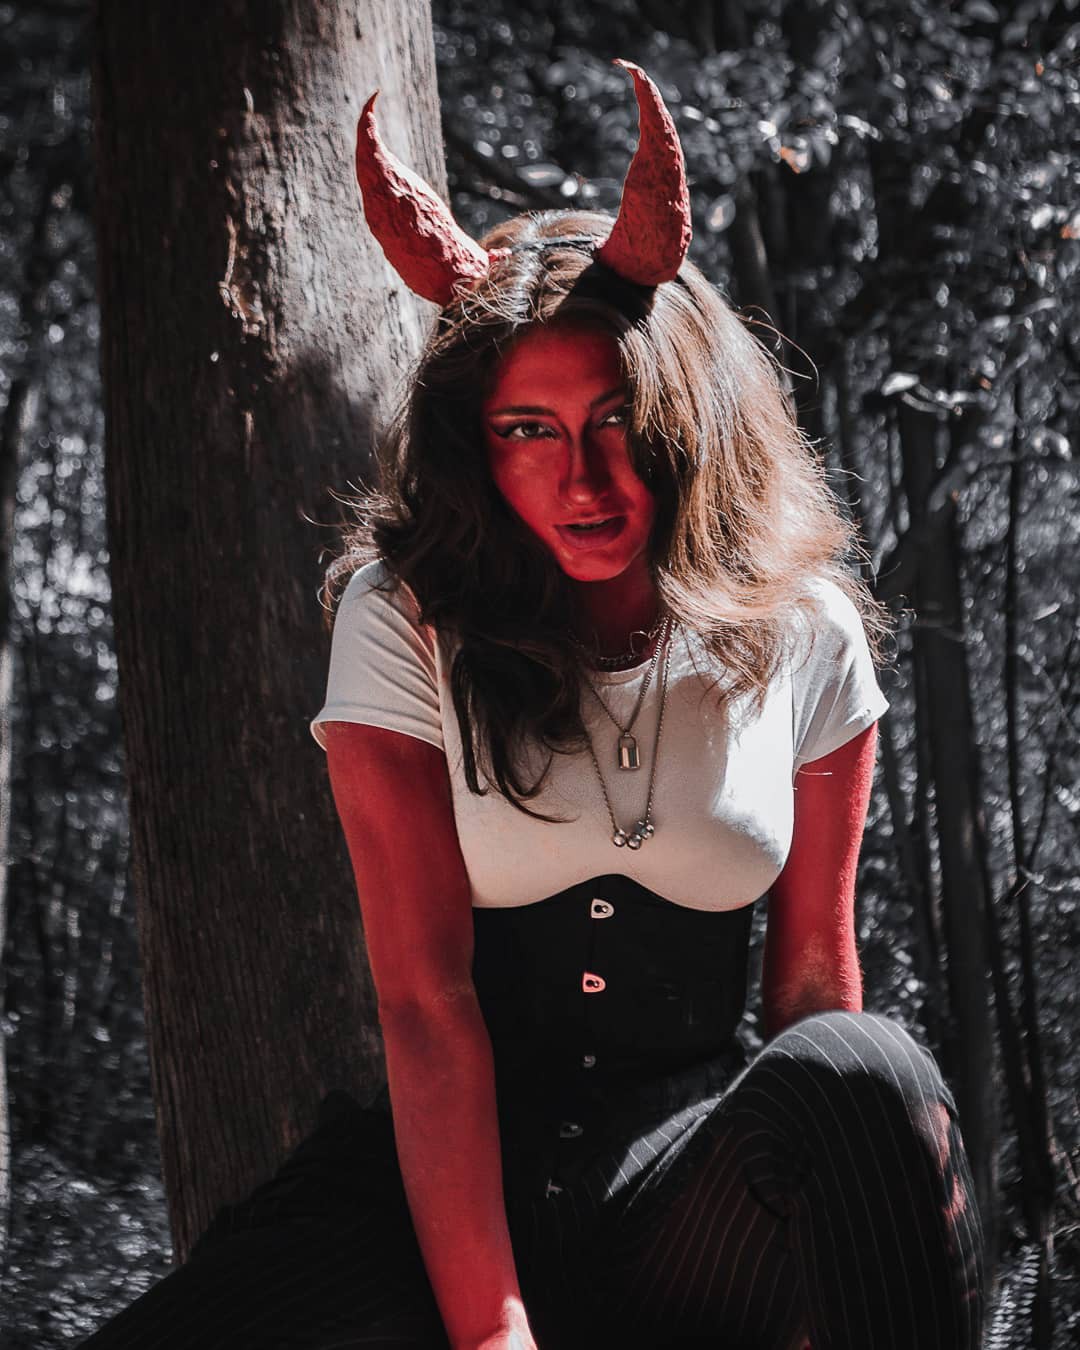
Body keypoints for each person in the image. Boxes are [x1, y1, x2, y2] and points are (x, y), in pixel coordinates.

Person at [81, 61, 985, 1350]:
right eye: (528, 430)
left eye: (617, 419)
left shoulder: (805, 632)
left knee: (872, 1074)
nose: (584, 481)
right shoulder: (404, 624)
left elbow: (807, 993)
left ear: (688, 424)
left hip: (684, 1196)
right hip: (439, 1204)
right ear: (474, 447)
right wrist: (495, 1335)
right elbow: (425, 1006)